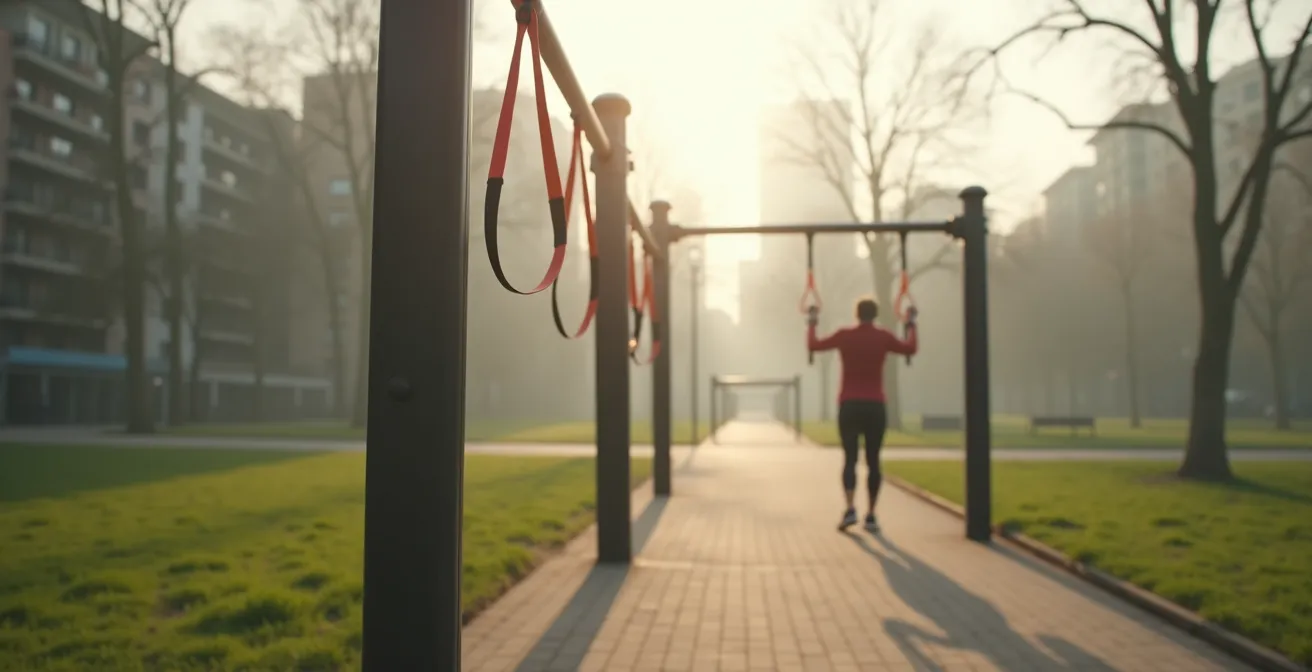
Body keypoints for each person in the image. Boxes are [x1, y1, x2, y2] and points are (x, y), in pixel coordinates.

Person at [807, 298, 918, 532]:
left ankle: (850, 508)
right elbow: (910, 348)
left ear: (856, 314)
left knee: (850, 459)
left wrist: (812, 322)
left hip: (849, 403)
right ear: (875, 314)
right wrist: (911, 324)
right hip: (874, 404)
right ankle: (871, 514)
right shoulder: (883, 337)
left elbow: (814, 345)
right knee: (874, 460)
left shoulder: (844, 335)